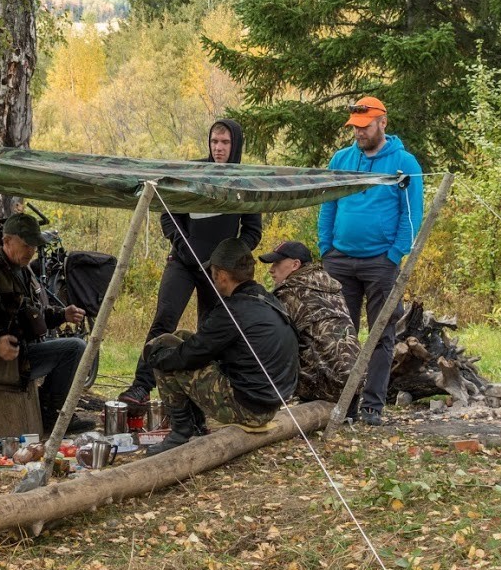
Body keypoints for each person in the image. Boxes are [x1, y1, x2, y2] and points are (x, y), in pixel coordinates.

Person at [118, 119, 263, 407]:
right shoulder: (192, 173)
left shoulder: (244, 181)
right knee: (165, 319)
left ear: (235, 145)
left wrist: (228, 259)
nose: (218, 148)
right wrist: (183, 247)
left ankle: (203, 393)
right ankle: (141, 386)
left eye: (224, 143)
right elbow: (168, 215)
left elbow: (252, 231)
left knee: (210, 329)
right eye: (214, 142)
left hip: (219, 270)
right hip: (183, 262)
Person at [317, 96, 425, 426]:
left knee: (381, 333)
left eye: (364, 127)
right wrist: (326, 248)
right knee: (340, 335)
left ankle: (372, 406)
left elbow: (412, 214)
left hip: (381, 261)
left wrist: (395, 253)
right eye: (354, 128)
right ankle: (343, 403)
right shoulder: (342, 158)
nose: (359, 133)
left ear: (382, 123)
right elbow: (328, 204)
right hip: (340, 259)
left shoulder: (404, 163)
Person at [142, 238, 298, 454]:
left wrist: (154, 358)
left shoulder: (232, 311)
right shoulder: (266, 299)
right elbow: (203, 346)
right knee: (179, 337)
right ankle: (196, 425)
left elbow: (191, 356)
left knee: (164, 354)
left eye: (213, 273)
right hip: (271, 403)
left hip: (248, 408)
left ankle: (181, 433)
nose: (212, 279)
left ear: (222, 276)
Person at [0, 213, 97, 435]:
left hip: (21, 354)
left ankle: (49, 410)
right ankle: (50, 415)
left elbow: (32, 314)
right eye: (26, 245)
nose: (31, 251)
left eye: (34, 245)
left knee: (76, 346)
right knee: (74, 348)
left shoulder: (23, 269)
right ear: (7, 242)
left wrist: (62, 315)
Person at [259, 240, 359, 403]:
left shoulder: (290, 293)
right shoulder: (329, 285)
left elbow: (269, 340)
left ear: (295, 264)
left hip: (326, 388)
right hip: (353, 383)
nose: (271, 270)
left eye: (277, 263)